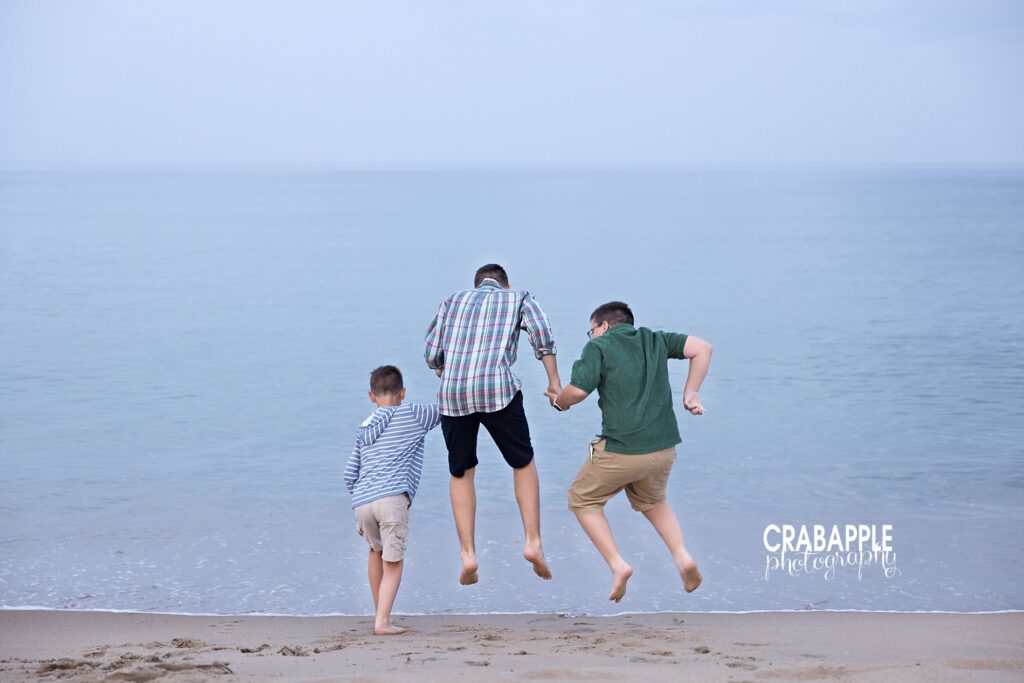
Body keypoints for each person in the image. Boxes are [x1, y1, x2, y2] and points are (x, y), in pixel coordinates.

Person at [550, 301, 712, 603]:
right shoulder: (655, 339)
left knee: (582, 499)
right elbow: (703, 348)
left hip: (622, 451)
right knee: (653, 500)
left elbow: (578, 391)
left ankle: (617, 564)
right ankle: (682, 557)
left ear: (604, 326)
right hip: (663, 450)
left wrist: (560, 400)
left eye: (592, 330)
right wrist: (691, 392)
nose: (592, 336)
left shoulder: (598, 347)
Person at [424, 263, 562, 585]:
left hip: (453, 395)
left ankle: (468, 554)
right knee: (523, 462)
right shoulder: (518, 298)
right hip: (497, 389)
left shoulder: (452, 301)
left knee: (461, 471)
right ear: (505, 283)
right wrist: (554, 383)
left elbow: (432, 354)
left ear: (476, 285)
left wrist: (445, 366)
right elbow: (543, 335)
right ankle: (532, 543)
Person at [344, 365, 441, 635]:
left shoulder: (363, 429)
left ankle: (380, 613)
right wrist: (445, 373)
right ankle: (382, 622)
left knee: (375, 551)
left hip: (363, 500)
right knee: (393, 562)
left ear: (371, 397)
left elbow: (349, 473)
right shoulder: (412, 413)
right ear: (403, 392)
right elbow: (446, 407)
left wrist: (362, 493)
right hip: (392, 498)